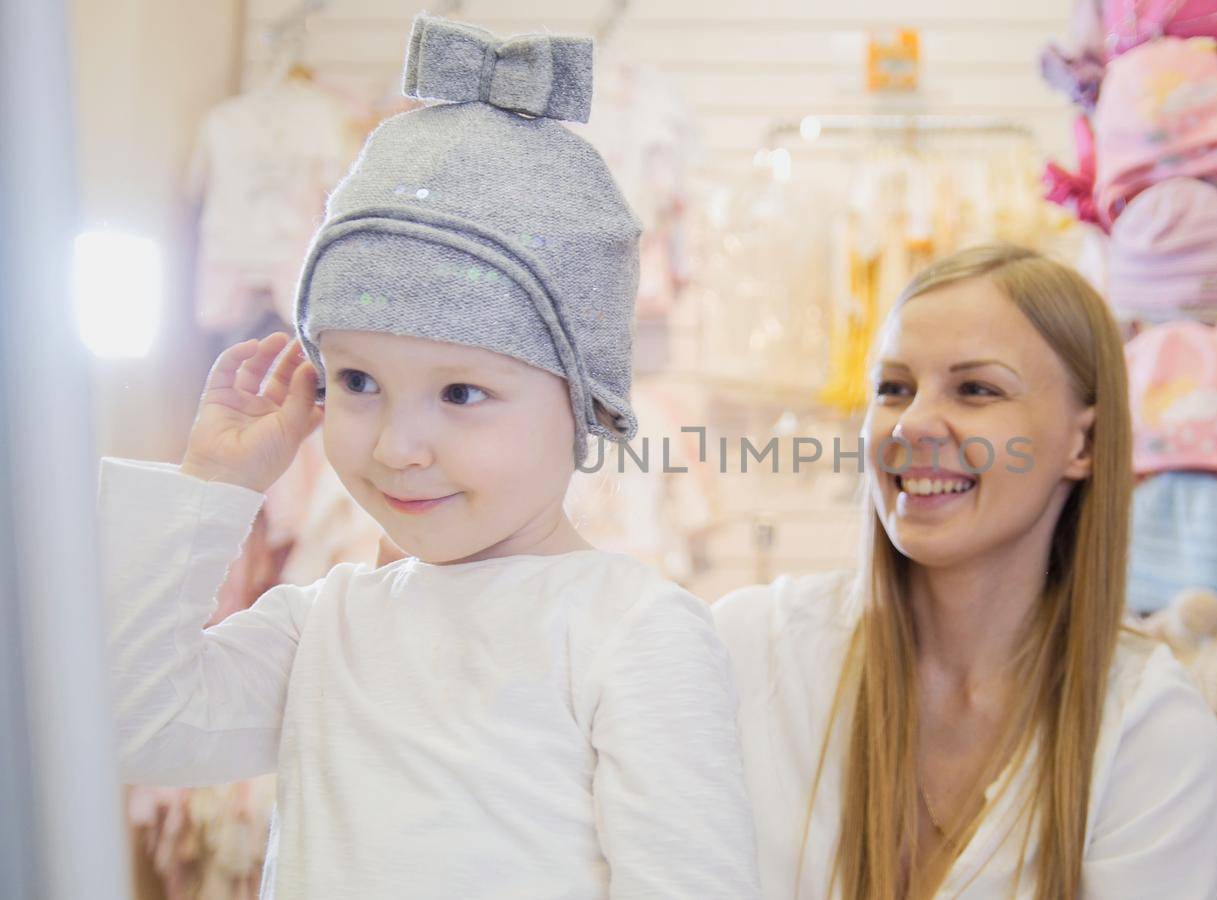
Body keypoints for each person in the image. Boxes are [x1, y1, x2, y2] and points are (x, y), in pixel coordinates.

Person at [98, 15, 758, 898]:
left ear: (587, 401)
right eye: (359, 381)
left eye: (460, 394)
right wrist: (215, 488)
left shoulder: (630, 630)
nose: (397, 446)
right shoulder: (326, 624)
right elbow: (138, 721)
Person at [715, 243, 1217, 899]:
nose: (914, 424)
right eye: (893, 388)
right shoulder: (749, 652)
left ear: (1084, 443)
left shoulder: (1151, 736)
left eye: (976, 389)